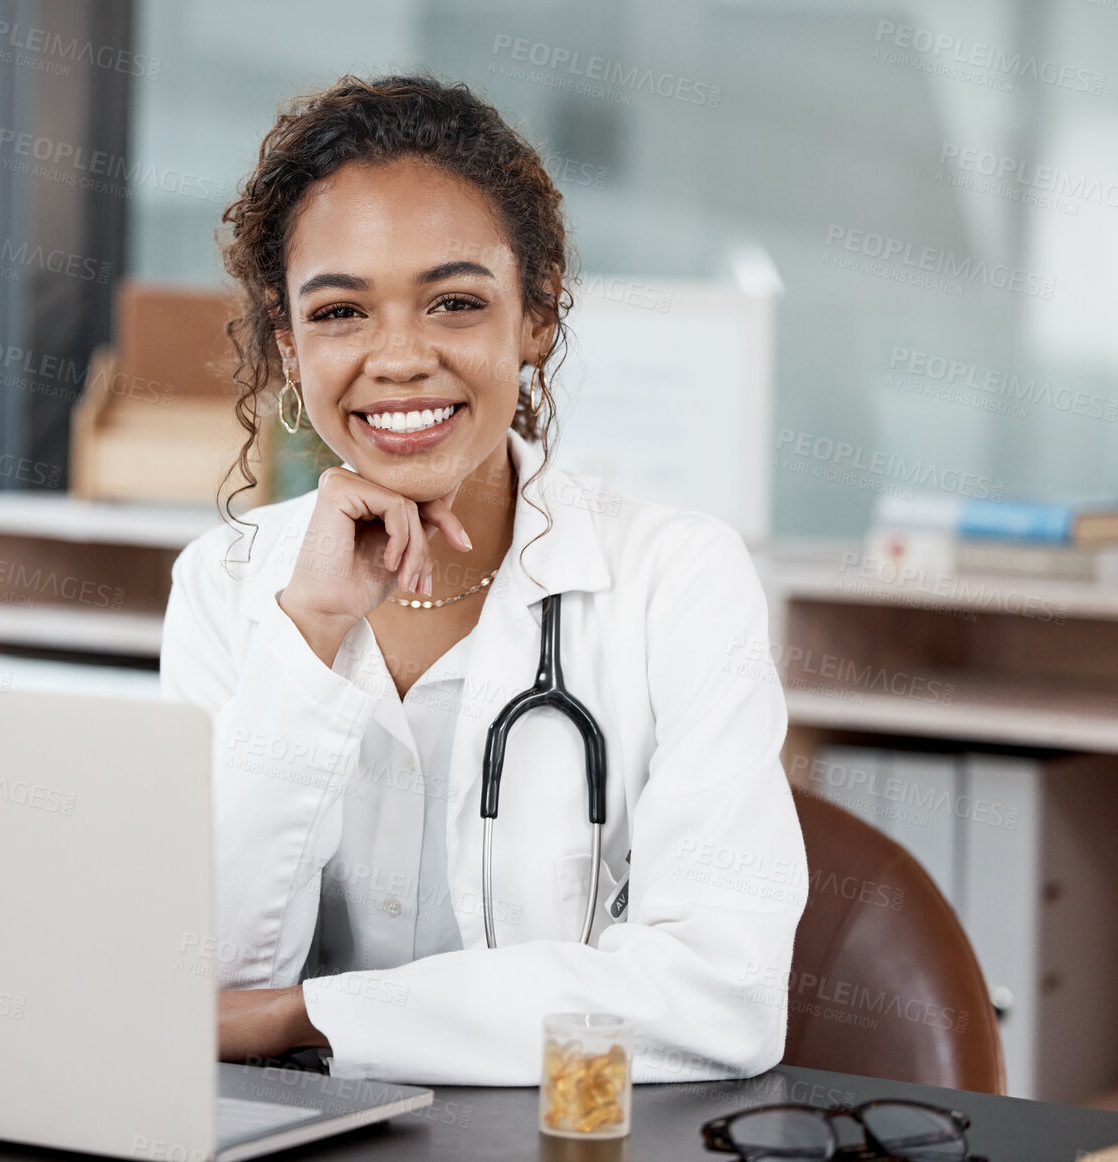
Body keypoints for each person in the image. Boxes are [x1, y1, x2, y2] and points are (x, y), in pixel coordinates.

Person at [160, 73, 806, 1086]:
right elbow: (188, 981)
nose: (400, 357)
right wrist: (310, 632)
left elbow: (722, 994)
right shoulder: (225, 586)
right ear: (290, 346)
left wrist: (306, 1014)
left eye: (455, 302)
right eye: (340, 313)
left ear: (538, 316)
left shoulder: (676, 578)